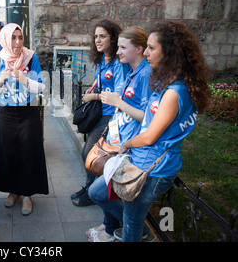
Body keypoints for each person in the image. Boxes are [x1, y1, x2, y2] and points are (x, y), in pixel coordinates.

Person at [88, 21, 210, 242]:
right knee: (98, 193)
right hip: (140, 159)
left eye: (152, 48)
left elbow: (151, 135)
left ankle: (139, 234)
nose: (146, 51)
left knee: (132, 221)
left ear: (170, 52)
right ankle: (138, 232)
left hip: (153, 168)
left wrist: (125, 145)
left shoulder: (175, 91)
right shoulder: (165, 82)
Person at [85, 26, 153, 242]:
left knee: (97, 192)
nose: (118, 51)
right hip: (117, 140)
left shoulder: (146, 74)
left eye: (123, 47)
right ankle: (111, 227)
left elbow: (148, 117)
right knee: (100, 188)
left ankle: (131, 229)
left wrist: (118, 102)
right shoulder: (132, 70)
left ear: (139, 49)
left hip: (129, 148)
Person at [0, 23, 48, 215]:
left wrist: (25, 80)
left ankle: (27, 194)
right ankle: (13, 192)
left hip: (28, 112)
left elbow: (41, 87)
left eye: (20, 37)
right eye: (13, 37)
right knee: (8, 153)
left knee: (28, 153)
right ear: (5, 39)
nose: (17, 42)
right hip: (6, 114)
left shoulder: (31, 58)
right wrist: (1, 80)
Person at [71, 20, 131, 206]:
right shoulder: (102, 60)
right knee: (90, 153)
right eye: (96, 36)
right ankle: (90, 188)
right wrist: (93, 90)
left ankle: (92, 192)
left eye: (102, 36)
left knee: (89, 153)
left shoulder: (118, 63)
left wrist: (94, 97)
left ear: (112, 38)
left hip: (111, 116)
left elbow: (119, 94)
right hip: (99, 114)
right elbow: (101, 82)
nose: (98, 40)